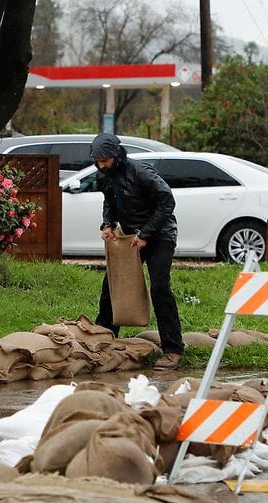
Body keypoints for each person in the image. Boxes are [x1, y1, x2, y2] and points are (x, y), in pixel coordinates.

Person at [90, 133, 185, 370]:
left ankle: (173, 349)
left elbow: (167, 202)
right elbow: (110, 202)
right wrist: (108, 224)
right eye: (98, 161)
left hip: (160, 234)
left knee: (160, 287)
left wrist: (146, 234)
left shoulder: (140, 172)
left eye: (105, 160)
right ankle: (105, 337)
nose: (101, 165)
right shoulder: (104, 176)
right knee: (112, 285)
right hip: (131, 236)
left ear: (117, 155)